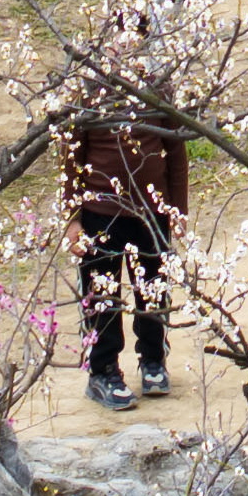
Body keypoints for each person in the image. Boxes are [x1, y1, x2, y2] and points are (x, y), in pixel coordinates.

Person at [63, 90, 189, 410]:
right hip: (99, 213)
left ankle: (153, 361)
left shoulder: (156, 89)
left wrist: (177, 209)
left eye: (135, 38)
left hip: (151, 212)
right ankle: (103, 372)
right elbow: (71, 160)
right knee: (101, 296)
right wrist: (72, 219)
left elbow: (175, 150)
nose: (125, 44)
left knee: (152, 290)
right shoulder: (86, 95)